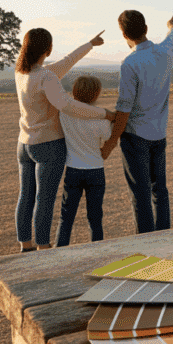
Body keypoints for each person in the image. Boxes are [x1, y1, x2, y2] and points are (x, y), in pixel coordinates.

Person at [14, 28, 118, 253]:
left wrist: (89, 44)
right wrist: (104, 113)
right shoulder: (46, 77)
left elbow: (66, 62)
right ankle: (43, 245)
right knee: (45, 199)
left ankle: (26, 245)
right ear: (48, 49)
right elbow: (67, 105)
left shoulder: (22, 72)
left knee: (26, 196)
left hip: (24, 143)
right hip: (48, 145)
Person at [101, 11, 173, 234]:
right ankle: (164, 236)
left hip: (135, 135)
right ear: (145, 29)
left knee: (140, 194)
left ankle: (146, 242)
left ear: (124, 34)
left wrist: (110, 143)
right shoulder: (165, 51)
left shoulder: (129, 63)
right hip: (159, 133)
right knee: (159, 191)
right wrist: (171, 24)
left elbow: (124, 109)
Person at [56, 75, 114, 247]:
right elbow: (108, 137)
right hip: (96, 169)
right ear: (96, 94)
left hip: (73, 168)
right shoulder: (101, 119)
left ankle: (59, 252)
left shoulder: (64, 114)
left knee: (66, 217)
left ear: (74, 91)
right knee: (95, 217)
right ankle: (96, 251)